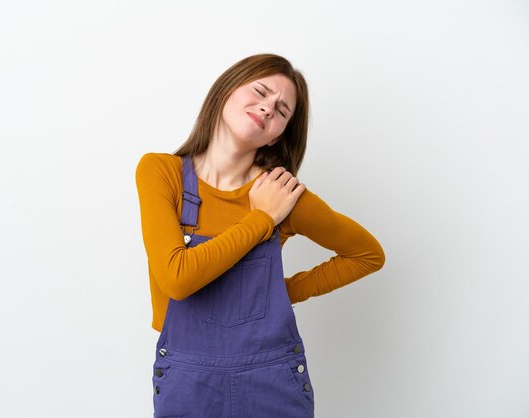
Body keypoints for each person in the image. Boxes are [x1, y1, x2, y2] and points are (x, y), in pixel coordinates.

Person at [135, 53, 385, 418]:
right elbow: (177, 278)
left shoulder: (284, 194)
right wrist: (262, 218)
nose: (268, 108)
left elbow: (367, 255)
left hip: (271, 381)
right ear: (225, 91)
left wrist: (281, 293)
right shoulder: (161, 172)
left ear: (279, 133)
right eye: (261, 92)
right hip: (186, 382)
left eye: (282, 110)